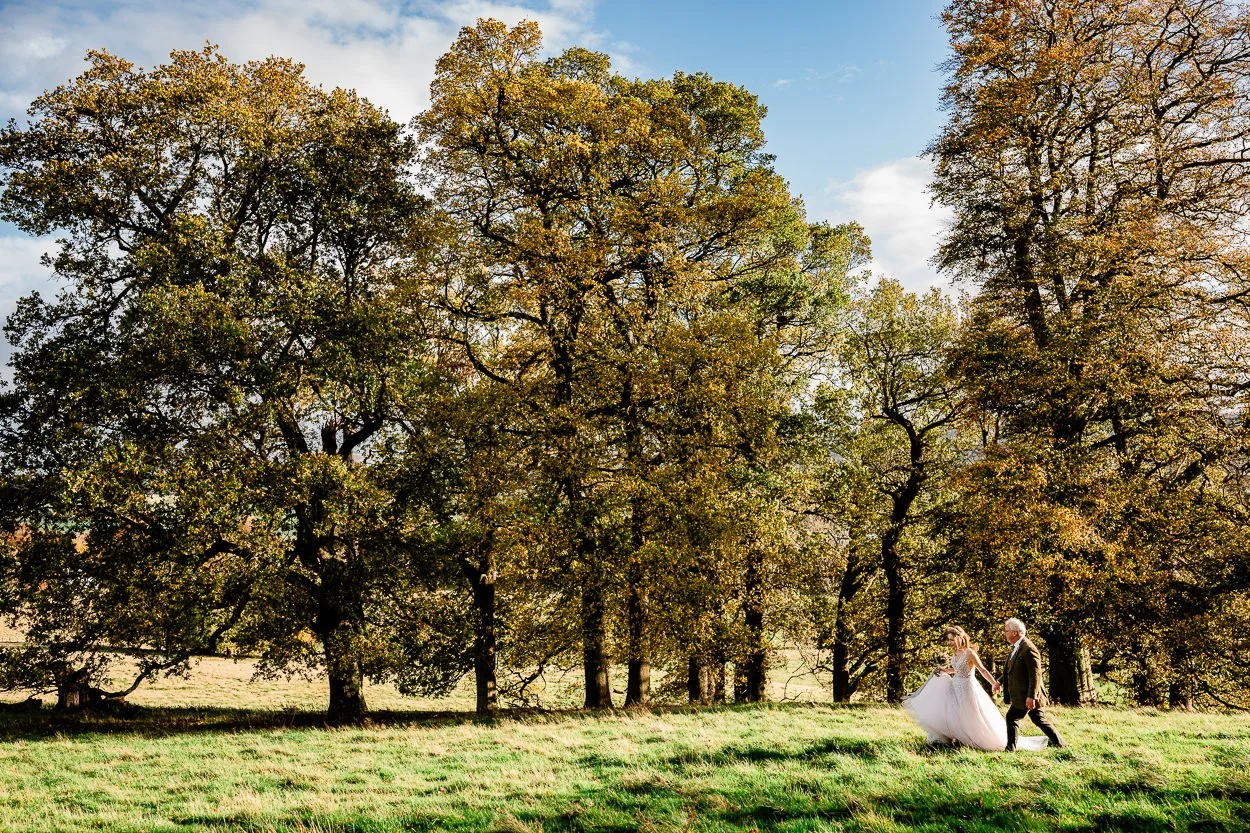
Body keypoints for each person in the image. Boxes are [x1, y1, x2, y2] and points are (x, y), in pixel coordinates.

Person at [903, 625, 1047, 751]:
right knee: (956, 714)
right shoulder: (955, 653)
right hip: (955, 687)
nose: (949, 643)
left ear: (960, 638)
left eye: (951, 639)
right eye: (948, 640)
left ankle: (977, 740)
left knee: (970, 715)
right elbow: (956, 669)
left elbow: (982, 670)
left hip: (967, 688)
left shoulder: (969, 653)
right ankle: (959, 738)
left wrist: (994, 683)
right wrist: (943, 670)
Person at [998, 617, 1066, 751]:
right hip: (1023, 694)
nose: (1004, 633)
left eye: (1006, 631)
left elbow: (1036, 675)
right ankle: (1060, 743)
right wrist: (999, 681)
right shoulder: (1016, 646)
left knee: (1012, 717)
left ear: (1014, 633)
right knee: (1038, 719)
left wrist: (1032, 696)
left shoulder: (1029, 649)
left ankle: (1010, 749)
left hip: (1027, 694)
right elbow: (1010, 668)